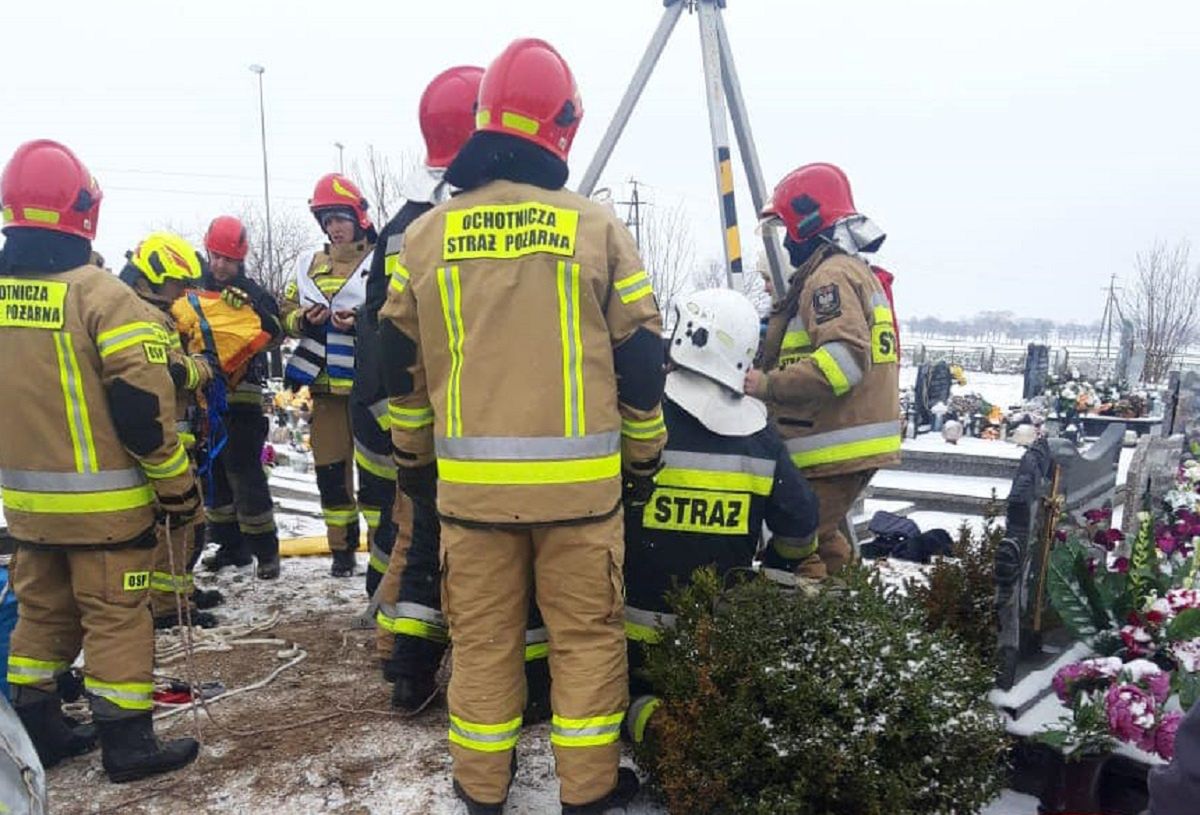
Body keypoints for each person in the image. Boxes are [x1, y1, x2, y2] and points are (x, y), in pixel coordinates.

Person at [380, 38, 666, 814]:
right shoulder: (596, 230)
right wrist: (641, 454)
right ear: (563, 125)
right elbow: (641, 361)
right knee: (585, 643)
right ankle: (590, 792)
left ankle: (480, 790)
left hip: (470, 502)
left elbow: (397, 369)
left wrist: (415, 460)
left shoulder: (424, 238)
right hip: (581, 502)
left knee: (484, 645)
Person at [0, 139, 200, 780]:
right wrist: (178, 489)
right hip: (107, 512)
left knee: (40, 617)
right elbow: (144, 413)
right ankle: (128, 745)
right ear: (83, 210)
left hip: (28, 509)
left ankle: (42, 732)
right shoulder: (104, 298)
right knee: (117, 618)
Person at [623, 288, 820, 743]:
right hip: (718, 639)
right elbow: (801, 522)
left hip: (633, 633)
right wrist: (774, 573)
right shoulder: (760, 438)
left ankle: (656, 728)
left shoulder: (644, 419)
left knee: (621, 697)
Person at [747, 163, 901, 578]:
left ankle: (813, 630)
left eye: (784, 228)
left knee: (795, 544)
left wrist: (766, 384)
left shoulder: (827, 278)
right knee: (825, 540)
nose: (783, 241)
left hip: (832, 444)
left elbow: (843, 363)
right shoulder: (852, 271)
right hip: (849, 441)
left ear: (804, 223)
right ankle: (856, 614)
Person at [116, 232, 218, 630]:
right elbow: (171, 373)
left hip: (176, 439)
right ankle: (167, 605)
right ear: (153, 277)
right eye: (177, 284)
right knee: (176, 523)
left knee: (189, 523)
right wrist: (203, 367)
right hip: (162, 444)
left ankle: (180, 595)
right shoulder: (143, 317)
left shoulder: (151, 311)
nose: (181, 293)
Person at [280, 174, 376, 577]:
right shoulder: (308, 266)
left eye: (341, 218)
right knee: (331, 473)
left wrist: (363, 320)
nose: (335, 227)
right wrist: (302, 319)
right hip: (325, 389)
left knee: (378, 476)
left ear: (358, 218)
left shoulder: (380, 260)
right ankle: (341, 551)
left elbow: (400, 310)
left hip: (370, 387)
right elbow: (281, 316)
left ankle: (387, 549)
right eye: (328, 220)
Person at [199, 215, 284, 580]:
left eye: (227, 259)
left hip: (242, 401)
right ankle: (231, 547)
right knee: (214, 477)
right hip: (206, 401)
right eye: (215, 257)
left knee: (245, 474)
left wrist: (251, 308)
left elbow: (275, 331)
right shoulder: (195, 291)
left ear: (240, 260)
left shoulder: (252, 293)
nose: (220, 266)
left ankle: (265, 552)